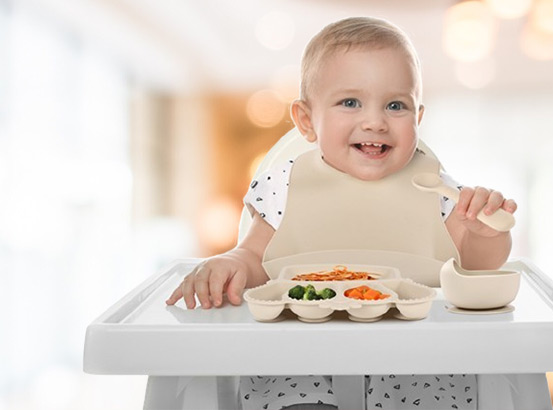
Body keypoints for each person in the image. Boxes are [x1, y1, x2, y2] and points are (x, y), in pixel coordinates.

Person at [166, 16, 517, 410]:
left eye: (396, 105)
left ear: (418, 118)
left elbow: (472, 263)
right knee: (281, 374)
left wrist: (486, 235)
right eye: (350, 102)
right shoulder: (285, 182)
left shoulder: (435, 185)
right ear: (305, 120)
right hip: (302, 350)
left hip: (415, 355)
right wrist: (228, 263)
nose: (375, 121)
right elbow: (254, 257)